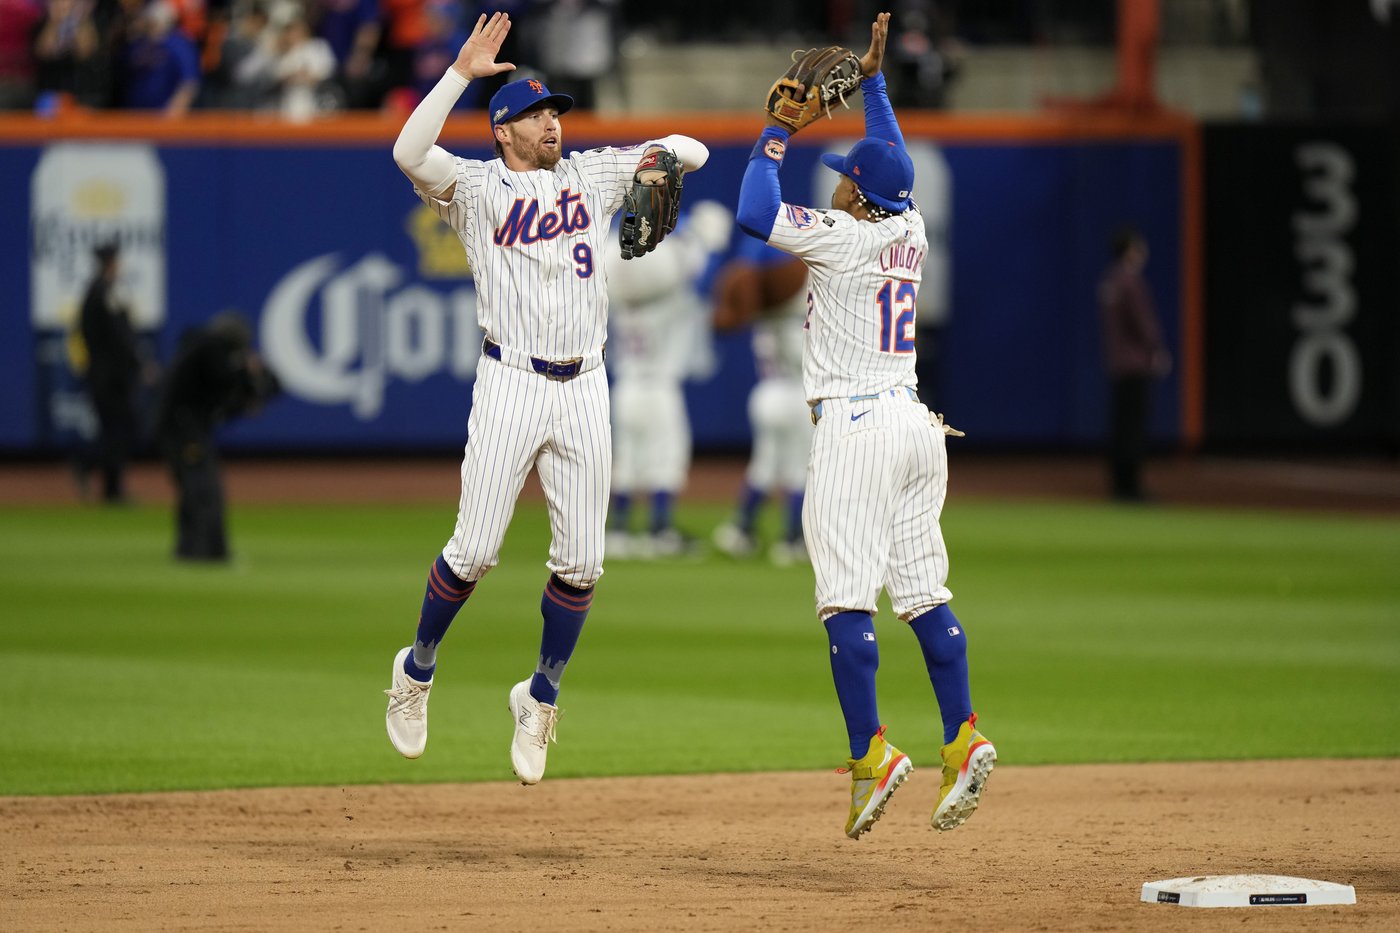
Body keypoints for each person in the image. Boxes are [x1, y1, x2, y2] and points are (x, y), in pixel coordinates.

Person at [384, 11, 709, 784]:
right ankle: (416, 671)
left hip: (585, 383)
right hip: (510, 378)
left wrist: (662, 166)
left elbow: (690, 149)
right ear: (504, 131)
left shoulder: (591, 174)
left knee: (585, 562)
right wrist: (461, 73)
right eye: (536, 114)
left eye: (556, 110)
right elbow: (405, 150)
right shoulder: (475, 188)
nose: (553, 122)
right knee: (474, 551)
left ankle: (540, 696)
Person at [736, 11, 995, 840]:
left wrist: (776, 129)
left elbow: (753, 212)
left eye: (847, 174)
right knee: (923, 592)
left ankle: (871, 755)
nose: (840, 178)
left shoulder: (842, 237)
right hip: (918, 427)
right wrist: (876, 82)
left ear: (856, 193)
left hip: (856, 427)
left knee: (846, 599)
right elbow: (894, 160)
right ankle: (961, 734)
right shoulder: (909, 226)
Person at [603, 200, 732, 560]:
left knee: (627, 461)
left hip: (626, 386)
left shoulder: (620, 289)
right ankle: (660, 530)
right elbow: (702, 277)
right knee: (665, 459)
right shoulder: (671, 289)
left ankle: (619, 531)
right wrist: (701, 238)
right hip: (658, 387)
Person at [710, 236, 812, 567]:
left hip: (766, 393)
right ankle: (792, 540)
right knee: (800, 470)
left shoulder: (764, 311)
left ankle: (740, 529)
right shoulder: (798, 311)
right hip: (795, 395)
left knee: (765, 467)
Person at [155, 311, 280, 561]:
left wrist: (248, 388)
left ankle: (191, 549)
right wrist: (248, 373)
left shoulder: (199, 346)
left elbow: (229, 394)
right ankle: (207, 551)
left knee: (195, 488)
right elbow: (224, 381)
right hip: (184, 429)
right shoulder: (210, 349)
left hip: (179, 427)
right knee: (204, 488)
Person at [1099, 225, 1170, 502]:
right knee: (1134, 428)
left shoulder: (1110, 280)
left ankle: (1119, 483)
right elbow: (1144, 323)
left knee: (1120, 426)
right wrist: (1157, 350)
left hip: (1116, 363)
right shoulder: (1131, 281)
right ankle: (1131, 487)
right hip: (1136, 364)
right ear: (1131, 249)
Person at [78, 242, 144, 504]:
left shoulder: (103, 290)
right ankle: (87, 464)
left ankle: (111, 488)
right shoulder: (103, 292)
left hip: (107, 372)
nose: (119, 266)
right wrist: (137, 364)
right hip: (109, 375)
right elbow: (119, 336)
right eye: (117, 261)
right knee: (120, 428)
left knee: (117, 429)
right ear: (111, 263)